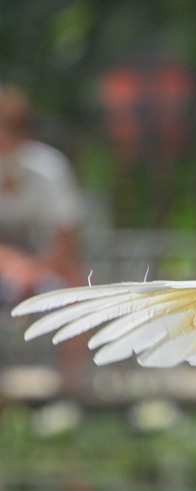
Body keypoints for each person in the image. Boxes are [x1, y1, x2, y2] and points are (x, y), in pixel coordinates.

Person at [0, 86, 86, 391]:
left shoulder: (49, 170)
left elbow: (67, 241)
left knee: (79, 293)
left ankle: (67, 393)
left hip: (44, 270)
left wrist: (32, 270)